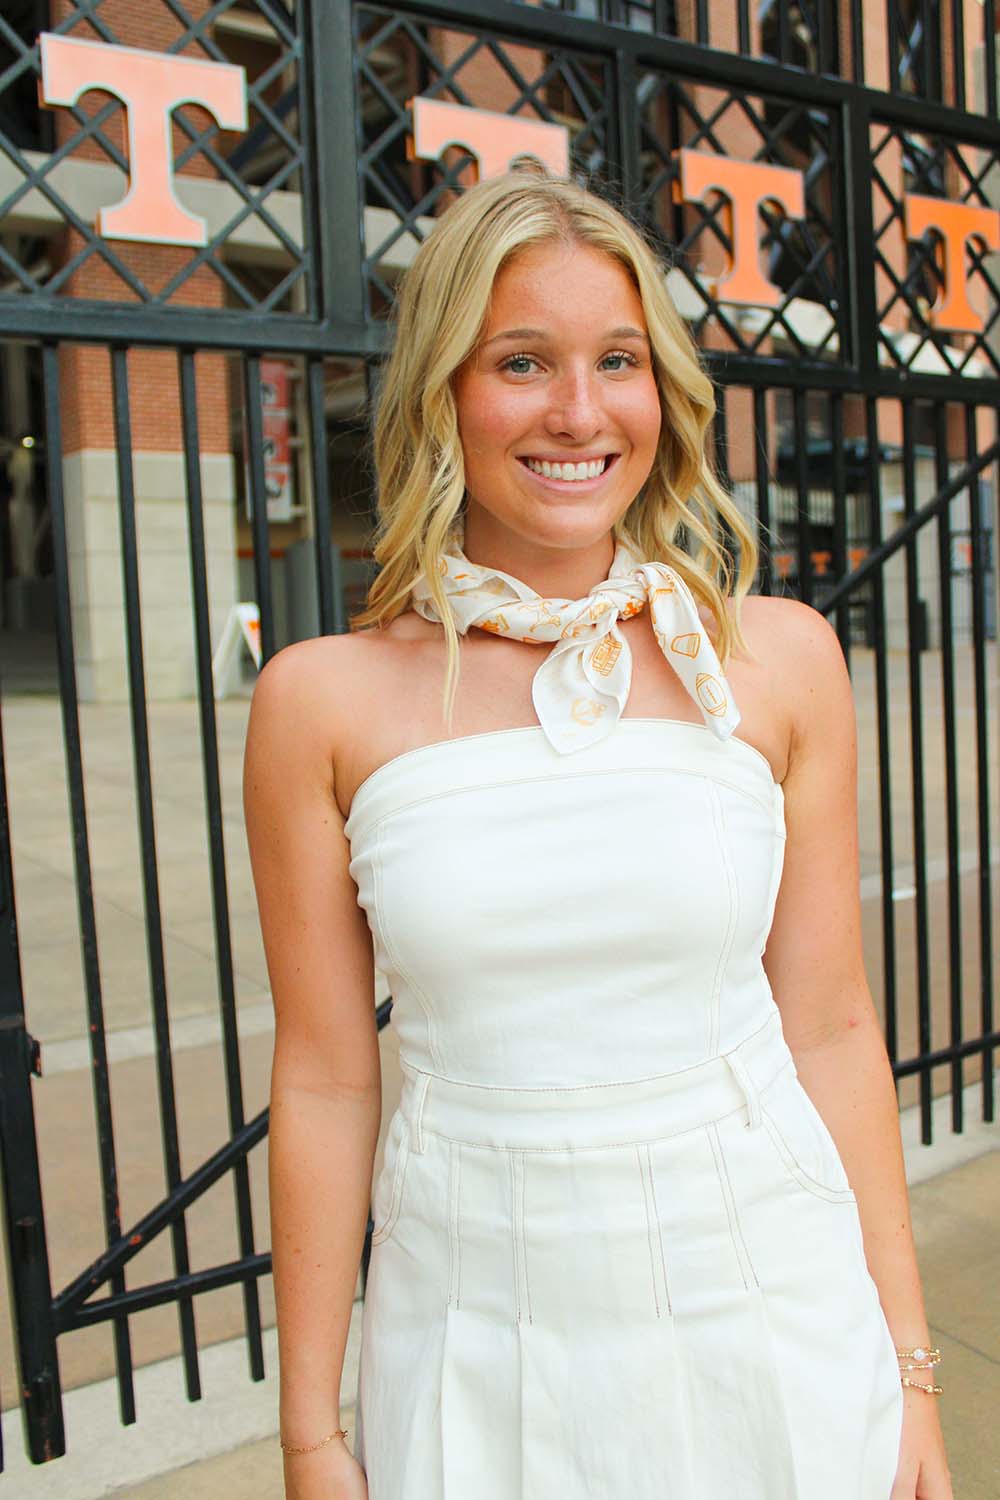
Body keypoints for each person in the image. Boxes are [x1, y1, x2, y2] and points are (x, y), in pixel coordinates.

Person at [243, 163, 952, 1500]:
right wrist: (309, 1433)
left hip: (774, 1311)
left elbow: (832, 1028)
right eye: (523, 361)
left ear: (661, 389)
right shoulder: (319, 703)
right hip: (476, 1336)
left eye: (617, 360)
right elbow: (327, 1081)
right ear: (444, 390)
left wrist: (911, 1370)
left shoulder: (780, 660)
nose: (578, 412)